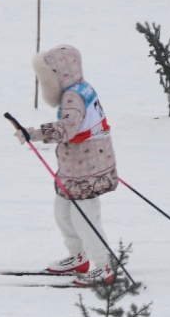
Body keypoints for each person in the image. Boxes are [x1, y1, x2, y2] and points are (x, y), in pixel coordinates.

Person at [12, 44, 120, 283]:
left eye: (45, 76)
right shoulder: (78, 88)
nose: (43, 83)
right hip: (76, 166)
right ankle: (78, 257)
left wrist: (35, 134)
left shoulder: (73, 96)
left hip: (87, 168)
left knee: (85, 217)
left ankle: (104, 266)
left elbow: (67, 129)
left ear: (58, 73)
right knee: (63, 212)